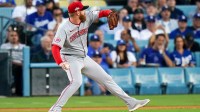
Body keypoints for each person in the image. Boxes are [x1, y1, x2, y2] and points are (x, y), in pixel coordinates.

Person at [49, 1, 150, 112]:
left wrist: (109, 12)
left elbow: (102, 13)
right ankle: (55, 109)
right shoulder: (64, 28)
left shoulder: (86, 16)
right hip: (70, 58)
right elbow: (55, 47)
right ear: (77, 12)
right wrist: (60, 62)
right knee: (76, 82)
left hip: (84, 57)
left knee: (106, 79)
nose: (84, 11)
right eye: (82, 9)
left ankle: (131, 103)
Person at [0, 27, 26, 96]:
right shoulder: (4, 46)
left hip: (21, 66)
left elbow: (25, 59)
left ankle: (19, 92)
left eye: (15, 35)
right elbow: (4, 58)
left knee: (20, 70)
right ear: (8, 37)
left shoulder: (23, 46)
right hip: (8, 67)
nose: (14, 37)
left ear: (18, 37)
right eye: (11, 35)